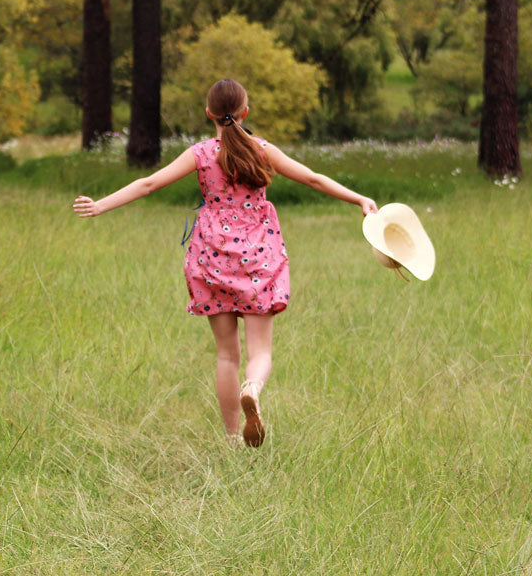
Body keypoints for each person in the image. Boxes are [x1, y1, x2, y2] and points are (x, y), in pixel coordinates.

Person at [73, 79, 377, 448]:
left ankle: (233, 440)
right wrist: (359, 198)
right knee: (260, 352)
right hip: (258, 257)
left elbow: (149, 184)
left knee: (226, 355)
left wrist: (101, 204)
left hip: (211, 257)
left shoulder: (201, 154)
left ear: (209, 114)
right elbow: (313, 178)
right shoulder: (262, 150)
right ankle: (253, 388)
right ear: (245, 112)